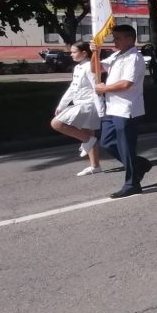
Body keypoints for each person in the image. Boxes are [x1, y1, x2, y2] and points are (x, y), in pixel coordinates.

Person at [92, 24, 149, 199]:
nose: (114, 41)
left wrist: (104, 88)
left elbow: (126, 84)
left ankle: (132, 183)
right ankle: (139, 164)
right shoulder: (117, 55)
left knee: (126, 147)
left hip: (126, 109)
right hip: (112, 107)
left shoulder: (134, 58)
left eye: (118, 38)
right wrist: (96, 51)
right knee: (107, 142)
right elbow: (95, 69)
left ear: (130, 39)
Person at [50, 41, 103, 177]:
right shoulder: (78, 67)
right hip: (81, 103)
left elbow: (96, 87)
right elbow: (73, 88)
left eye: (74, 52)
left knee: (57, 123)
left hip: (88, 104)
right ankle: (95, 166)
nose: (71, 54)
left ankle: (90, 142)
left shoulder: (89, 67)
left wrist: (100, 106)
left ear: (84, 53)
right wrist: (62, 105)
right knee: (87, 134)